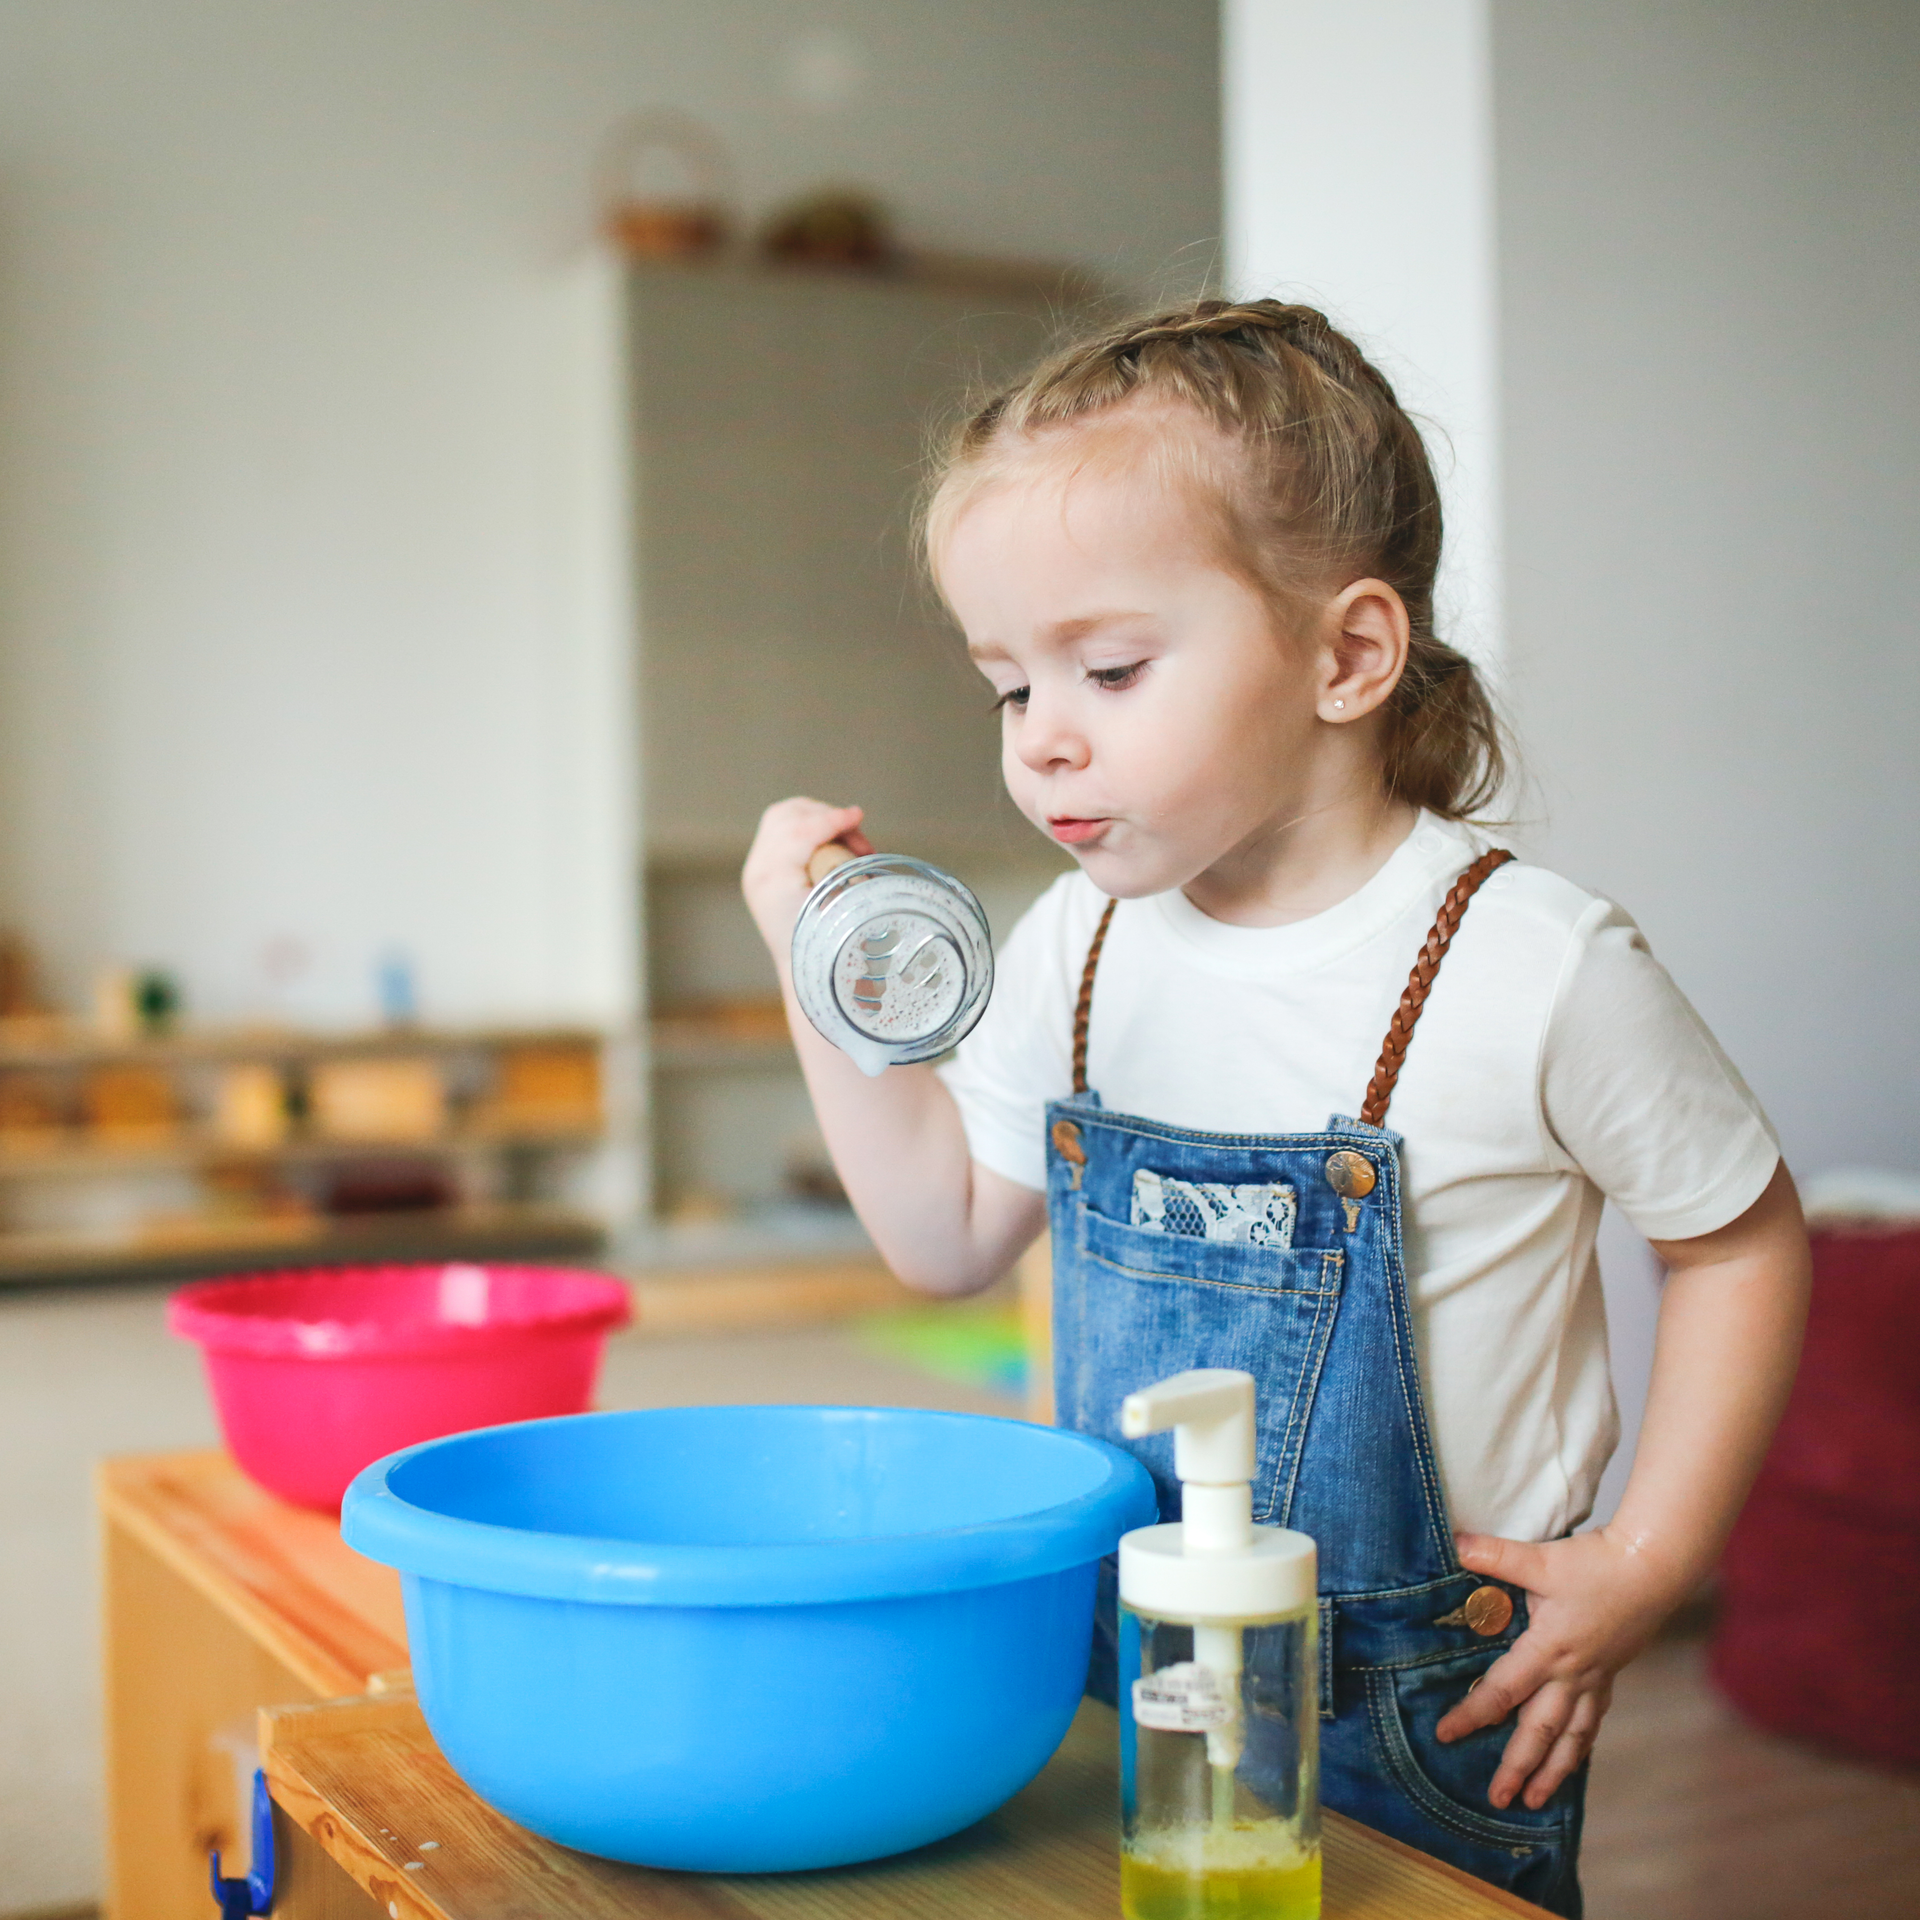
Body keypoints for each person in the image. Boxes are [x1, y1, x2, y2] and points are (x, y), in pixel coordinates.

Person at [741, 298, 1809, 1915]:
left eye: (1106, 666)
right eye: (1008, 688)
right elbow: (939, 1236)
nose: (1046, 742)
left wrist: (1650, 1564)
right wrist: (816, 966)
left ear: (1347, 656)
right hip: (1129, 1663)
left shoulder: (1530, 965)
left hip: (1423, 1712)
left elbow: (1743, 1242)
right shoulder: (1079, 944)